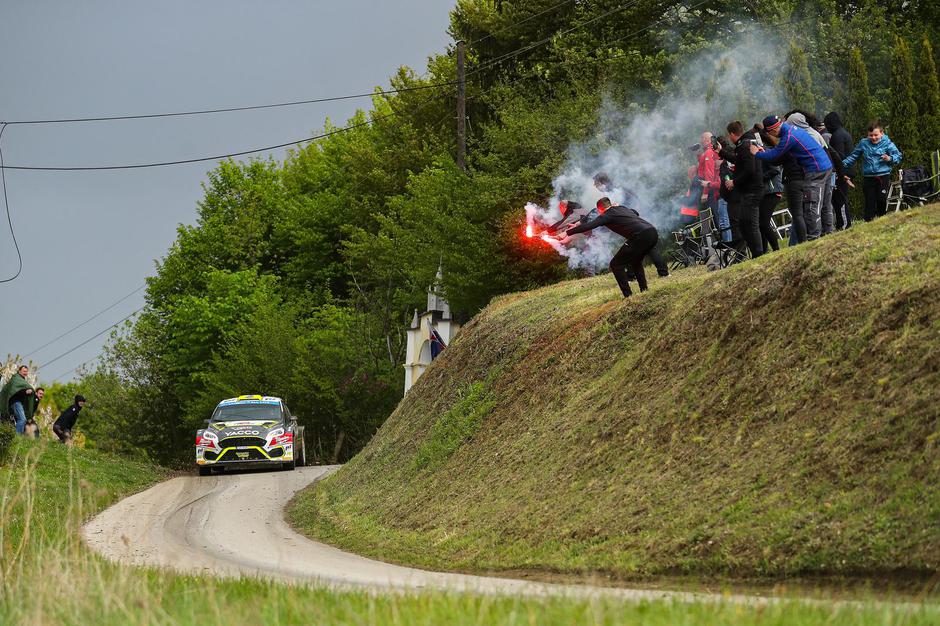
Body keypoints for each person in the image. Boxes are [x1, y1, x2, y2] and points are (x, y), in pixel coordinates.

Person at [751, 115, 833, 241]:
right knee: (825, 204)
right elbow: (780, 155)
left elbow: (774, 155)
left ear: (773, 130)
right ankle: (828, 233)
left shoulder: (788, 137)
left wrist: (757, 154)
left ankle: (813, 238)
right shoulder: (792, 129)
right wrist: (764, 152)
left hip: (815, 169)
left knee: (811, 206)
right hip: (825, 166)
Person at [561, 197, 659, 297]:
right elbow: (635, 212)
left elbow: (589, 226)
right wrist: (621, 209)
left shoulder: (606, 215)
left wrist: (568, 233)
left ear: (600, 209)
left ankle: (628, 296)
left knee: (615, 265)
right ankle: (644, 290)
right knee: (635, 261)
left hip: (640, 236)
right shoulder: (622, 208)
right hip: (652, 232)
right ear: (610, 204)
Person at [719, 121, 764, 258]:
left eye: (729, 135)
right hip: (748, 190)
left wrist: (734, 181)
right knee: (744, 223)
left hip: (753, 189)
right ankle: (753, 252)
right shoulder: (743, 144)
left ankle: (758, 253)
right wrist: (720, 152)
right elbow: (738, 160)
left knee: (751, 223)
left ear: (732, 134)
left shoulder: (745, 144)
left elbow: (750, 169)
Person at [841, 121, 903, 222]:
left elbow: (898, 156)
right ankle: (868, 223)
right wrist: (841, 165)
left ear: (882, 133)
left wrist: (889, 158)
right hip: (868, 178)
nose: (873, 137)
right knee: (869, 202)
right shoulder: (863, 143)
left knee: (881, 200)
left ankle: (882, 221)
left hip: (883, 176)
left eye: (876, 135)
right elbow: (853, 156)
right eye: (871, 135)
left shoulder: (887, 143)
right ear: (867, 134)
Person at [824, 112, 854, 229]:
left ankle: (844, 224)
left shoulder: (837, 136)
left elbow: (839, 156)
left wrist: (840, 173)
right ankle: (842, 223)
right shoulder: (844, 133)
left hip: (842, 172)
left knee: (840, 198)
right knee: (839, 198)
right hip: (846, 169)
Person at [0, 365, 35, 435]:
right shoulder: (16, 379)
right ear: (19, 371)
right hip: (15, 402)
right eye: (24, 371)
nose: (25, 373)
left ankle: (15, 435)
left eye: (26, 371)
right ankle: (18, 436)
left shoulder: (21, 380)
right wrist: (25, 392)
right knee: (22, 419)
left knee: (16, 420)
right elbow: (14, 391)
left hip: (17, 403)